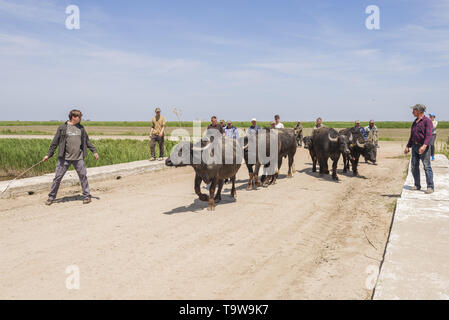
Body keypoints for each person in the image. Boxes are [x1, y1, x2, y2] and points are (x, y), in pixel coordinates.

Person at [42, 109, 99, 205]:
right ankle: (51, 197)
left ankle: (87, 196)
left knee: (83, 176)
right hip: (64, 158)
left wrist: (94, 151)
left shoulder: (81, 128)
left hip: (78, 158)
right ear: (73, 117)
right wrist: (49, 155)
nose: (81, 119)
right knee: (57, 178)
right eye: (79, 117)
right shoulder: (62, 128)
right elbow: (54, 143)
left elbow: (87, 141)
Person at [404, 104, 434, 194]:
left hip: (423, 147)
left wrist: (424, 146)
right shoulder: (415, 121)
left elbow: (429, 135)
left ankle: (430, 186)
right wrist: (407, 146)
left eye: (414, 110)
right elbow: (412, 136)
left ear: (419, 111)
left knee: (426, 166)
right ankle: (417, 185)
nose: (412, 112)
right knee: (414, 166)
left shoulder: (427, 121)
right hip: (415, 146)